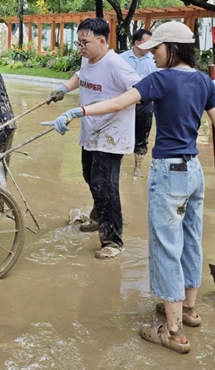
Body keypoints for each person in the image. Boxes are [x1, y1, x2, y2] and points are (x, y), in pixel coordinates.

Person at [42, 22, 215, 354]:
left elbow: (116, 104)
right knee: (190, 238)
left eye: (156, 49)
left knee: (166, 246)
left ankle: (172, 331)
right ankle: (189, 308)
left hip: (168, 173)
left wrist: (78, 110)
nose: (151, 54)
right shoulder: (203, 81)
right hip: (194, 172)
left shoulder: (159, 79)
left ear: (173, 48)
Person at [46, 18, 140, 259]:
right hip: (91, 131)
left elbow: (140, 91)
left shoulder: (116, 65)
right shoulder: (87, 59)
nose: (81, 48)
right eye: (78, 43)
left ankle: (113, 241)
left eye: (85, 43)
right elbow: (81, 76)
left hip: (112, 134)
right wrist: (64, 88)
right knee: (90, 175)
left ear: (101, 41)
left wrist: (115, 106)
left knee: (106, 186)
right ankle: (100, 217)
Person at [120, 29, 159, 177]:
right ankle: (117, 169)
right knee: (122, 135)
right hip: (125, 103)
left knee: (142, 136)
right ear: (137, 43)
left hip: (146, 104)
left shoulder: (154, 60)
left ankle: (137, 170)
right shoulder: (121, 59)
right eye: (147, 42)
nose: (151, 46)